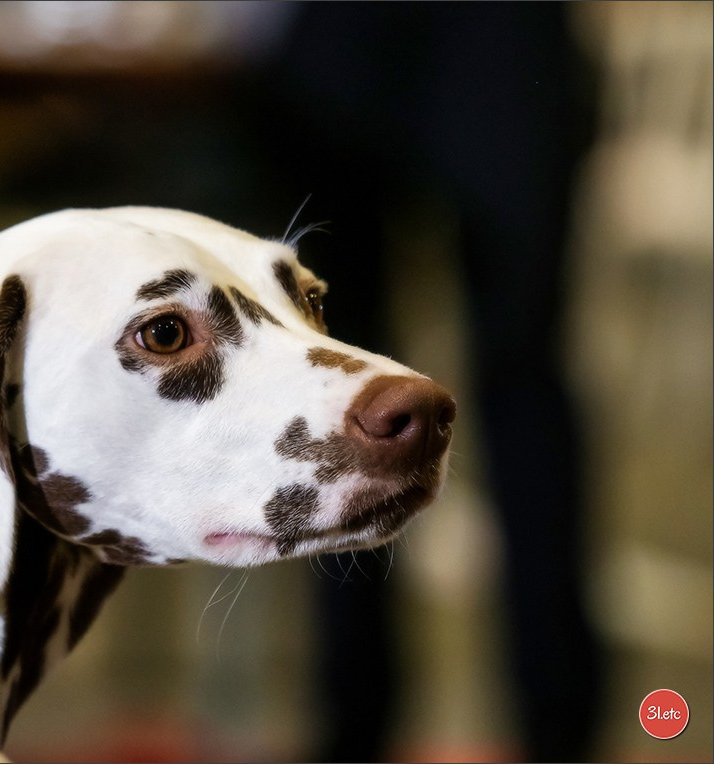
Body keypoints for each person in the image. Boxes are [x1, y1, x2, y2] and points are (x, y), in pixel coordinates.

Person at [243, 4, 605, 760]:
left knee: (523, 374)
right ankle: (352, 720)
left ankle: (562, 722)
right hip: (339, 43)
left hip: (503, 35)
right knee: (330, 386)